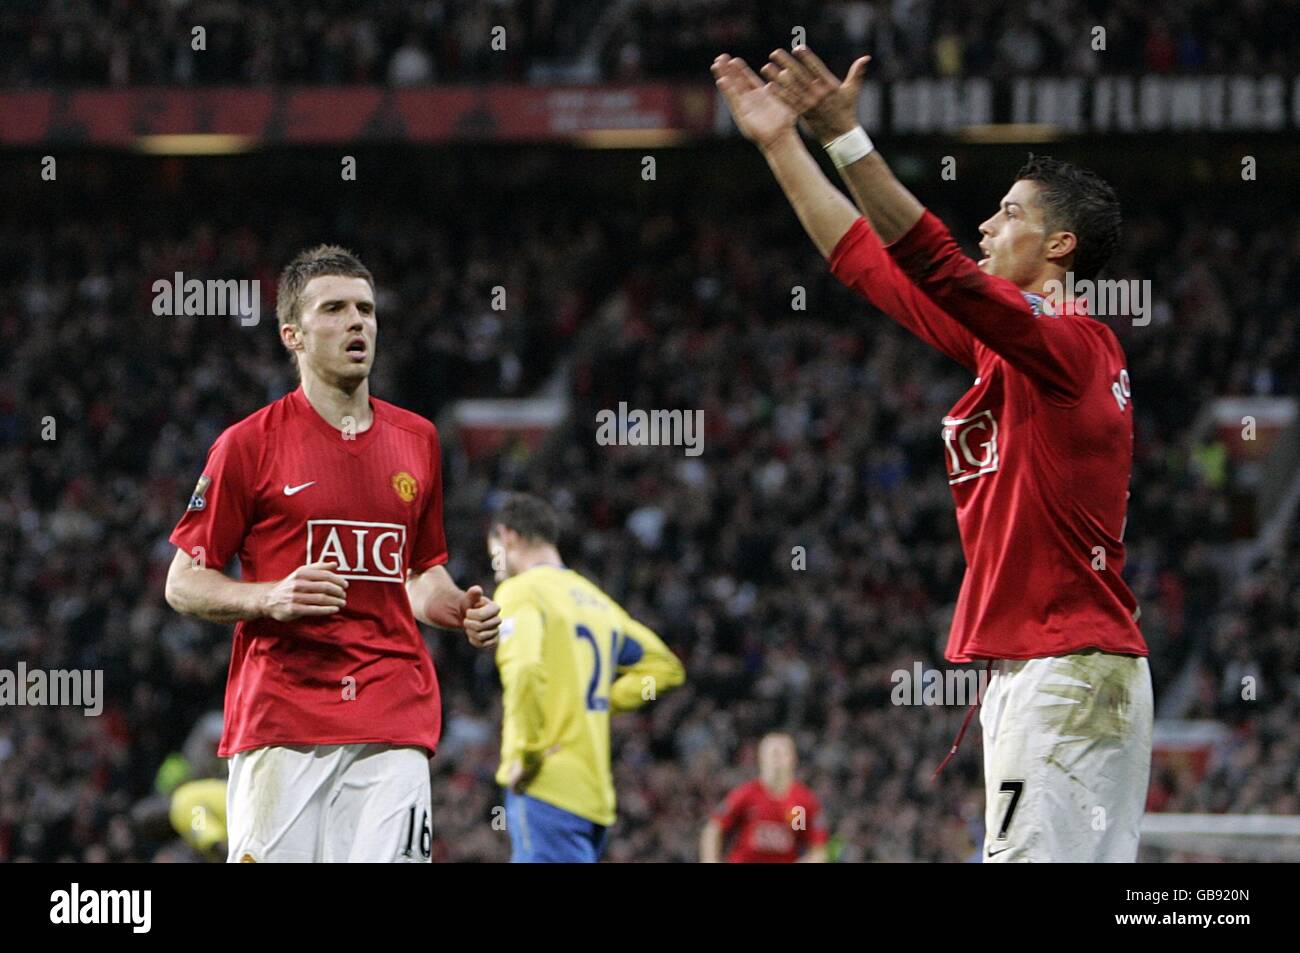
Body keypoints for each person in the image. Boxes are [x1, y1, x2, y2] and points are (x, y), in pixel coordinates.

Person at [711, 47, 1152, 862]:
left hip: (1063, 667)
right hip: (1057, 669)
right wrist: (781, 144)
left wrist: (847, 138)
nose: (988, 224)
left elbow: (935, 263)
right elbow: (871, 265)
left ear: (1060, 245)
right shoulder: (1016, 353)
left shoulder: (1073, 344)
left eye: (1009, 214)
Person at [164, 245, 501, 862]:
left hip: (392, 712)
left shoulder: (418, 441)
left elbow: (419, 573)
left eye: (366, 310)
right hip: (283, 718)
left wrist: (458, 608)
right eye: (335, 309)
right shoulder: (247, 446)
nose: (357, 322)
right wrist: (270, 595)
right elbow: (184, 582)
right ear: (292, 334)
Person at [488, 492, 685, 862]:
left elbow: (526, 669)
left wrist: (527, 755)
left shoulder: (520, 591)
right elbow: (666, 667)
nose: (495, 564)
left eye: (493, 551)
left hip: (547, 783)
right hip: (592, 793)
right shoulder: (595, 601)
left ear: (508, 535)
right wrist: (604, 702)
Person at [700, 733, 829, 863]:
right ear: (761, 758)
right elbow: (713, 829)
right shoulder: (746, 794)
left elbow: (818, 849)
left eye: (782, 754)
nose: (777, 760)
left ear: (792, 758)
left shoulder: (803, 802)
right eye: (773, 753)